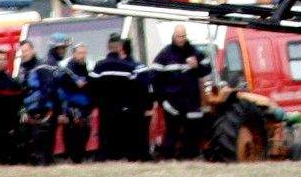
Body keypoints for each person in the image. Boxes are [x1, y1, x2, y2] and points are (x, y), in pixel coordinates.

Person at [151, 26, 211, 159]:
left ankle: (189, 159)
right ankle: (167, 160)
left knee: (193, 133)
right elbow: (155, 79)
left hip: (192, 102)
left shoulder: (196, 53)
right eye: (179, 36)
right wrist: (162, 100)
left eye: (183, 36)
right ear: (174, 36)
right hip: (172, 104)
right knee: (172, 133)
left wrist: (197, 67)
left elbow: (207, 69)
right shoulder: (165, 55)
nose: (182, 39)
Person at [90, 38, 150, 161]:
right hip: (123, 108)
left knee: (105, 134)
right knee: (123, 134)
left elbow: (91, 86)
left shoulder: (99, 67)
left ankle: (105, 158)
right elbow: (136, 88)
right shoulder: (127, 67)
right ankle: (125, 156)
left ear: (108, 48)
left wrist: (96, 103)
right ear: (119, 48)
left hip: (105, 108)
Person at [53, 37, 94, 162]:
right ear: (74, 54)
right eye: (80, 53)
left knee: (85, 133)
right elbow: (78, 84)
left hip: (85, 108)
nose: (83, 56)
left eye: (84, 53)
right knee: (73, 135)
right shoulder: (68, 69)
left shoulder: (86, 67)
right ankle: (74, 158)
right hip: (72, 108)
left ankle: (79, 157)